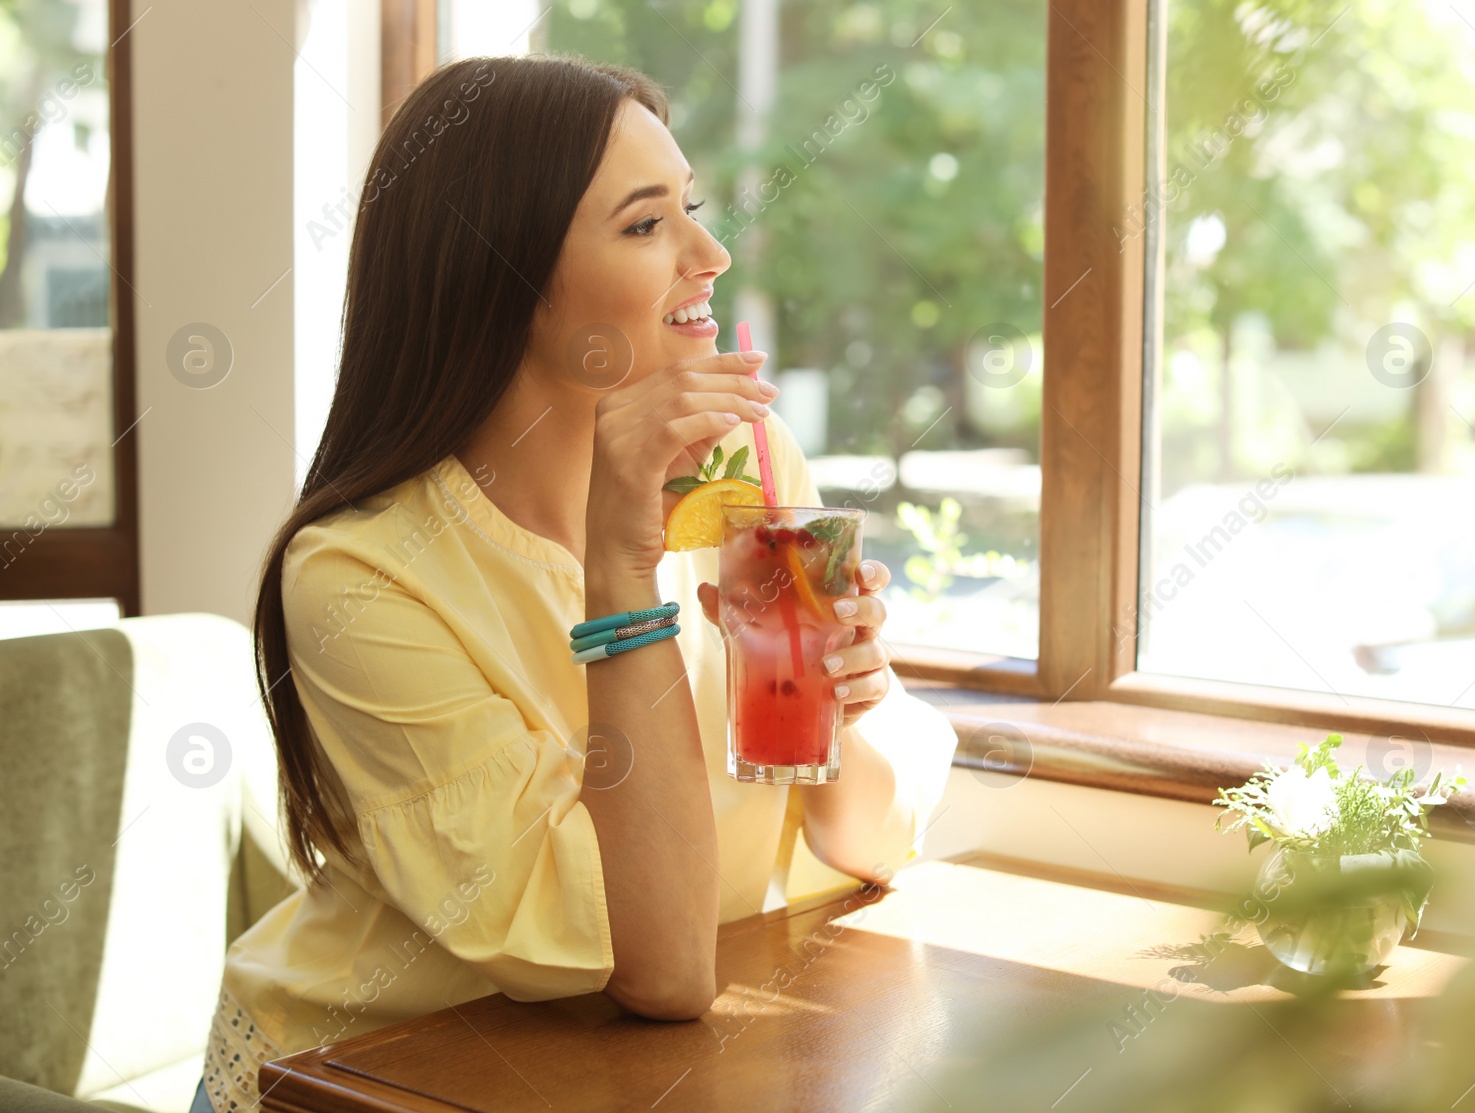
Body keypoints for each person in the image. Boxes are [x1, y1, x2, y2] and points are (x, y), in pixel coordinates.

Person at [191, 53, 957, 1113]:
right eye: (646, 226)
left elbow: (866, 846)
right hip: (363, 1078)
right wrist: (619, 563)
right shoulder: (360, 575)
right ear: (498, 277)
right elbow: (662, 971)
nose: (711, 253)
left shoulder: (748, 464)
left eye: (690, 208)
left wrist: (836, 701)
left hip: (628, 1071)